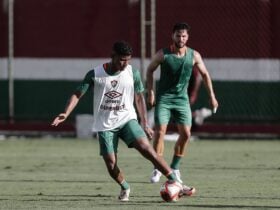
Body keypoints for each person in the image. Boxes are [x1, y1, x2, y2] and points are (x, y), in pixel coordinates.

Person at [51, 41, 194, 201]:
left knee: (146, 148)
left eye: (128, 60)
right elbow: (77, 94)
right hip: (105, 125)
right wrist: (65, 112)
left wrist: (144, 122)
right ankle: (125, 187)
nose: (125, 63)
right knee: (111, 164)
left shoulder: (133, 73)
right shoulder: (95, 74)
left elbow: (139, 98)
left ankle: (176, 182)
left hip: (127, 119)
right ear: (112, 56)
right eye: (121, 60)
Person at [146, 23, 219, 184]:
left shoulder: (194, 55)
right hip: (164, 98)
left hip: (181, 100)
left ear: (188, 37)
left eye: (184, 36)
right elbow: (150, 70)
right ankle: (158, 167)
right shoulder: (163, 54)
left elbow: (205, 75)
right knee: (160, 132)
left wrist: (212, 97)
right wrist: (150, 92)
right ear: (173, 36)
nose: (181, 38)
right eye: (178, 35)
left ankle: (175, 167)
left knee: (186, 134)